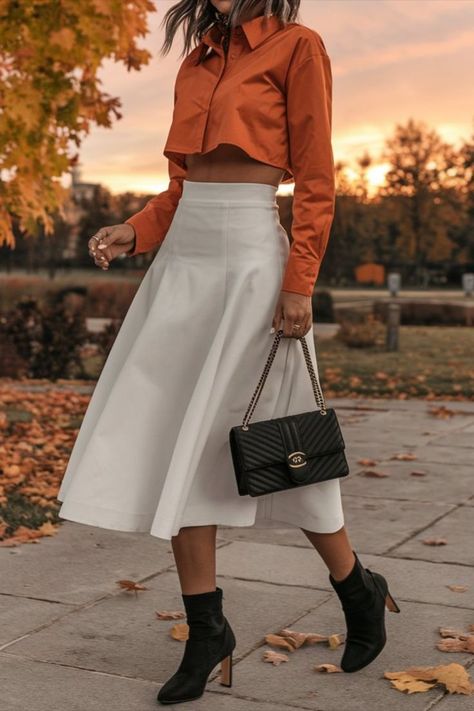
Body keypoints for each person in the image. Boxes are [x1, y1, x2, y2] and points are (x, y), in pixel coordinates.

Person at [56, 0, 400, 705]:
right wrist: (133, 229)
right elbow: (183, 189)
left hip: (250, 262)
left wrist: (299, 282)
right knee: (177, 440)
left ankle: (356, 586)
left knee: (279, 444)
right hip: (183, 263)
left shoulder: (299, 47)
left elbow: (315, 180)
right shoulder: (196, 57)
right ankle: (207, 628)